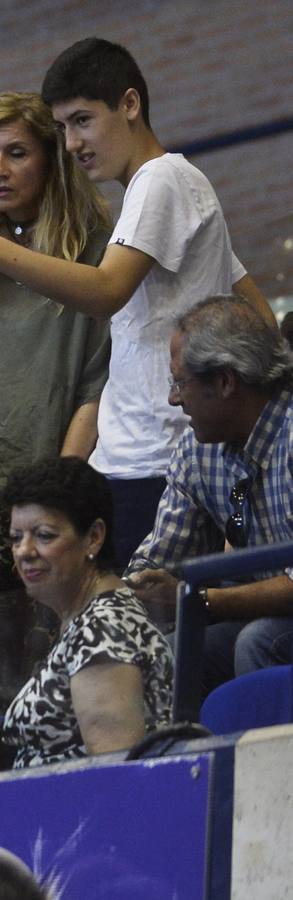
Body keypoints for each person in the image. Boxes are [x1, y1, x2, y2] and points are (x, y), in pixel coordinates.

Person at [0, 37, 272, 568]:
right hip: (139, 454)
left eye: (82, 120)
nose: (71, 143)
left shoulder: (161, 179)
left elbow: (107, 291)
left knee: (145, 630)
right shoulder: (162, 188)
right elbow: (260, 317)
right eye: (61, 128)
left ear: (129, 105)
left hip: (155, 453)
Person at [0, 91, 113, 713]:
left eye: (17, 153)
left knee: (46, 686)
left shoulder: (95, 253)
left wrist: (60, 486)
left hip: (46, 505)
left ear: (52, 160)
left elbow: (98, 382)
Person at [0, 458, 172, 779]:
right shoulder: (89, 621)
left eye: (44, 535)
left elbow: (115, 784)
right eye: (16, 537)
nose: (23, 551)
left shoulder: (103, 633)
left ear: (93, 537)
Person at [126, 295, 293, 695]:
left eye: (180, 382)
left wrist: (200, 601)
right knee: (166, 653)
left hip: (269, 625)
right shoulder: (196, 451)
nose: (173, 398)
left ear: (223, 382)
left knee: (259, 640)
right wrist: (122, 596)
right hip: (265, 615)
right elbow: (162, 560)